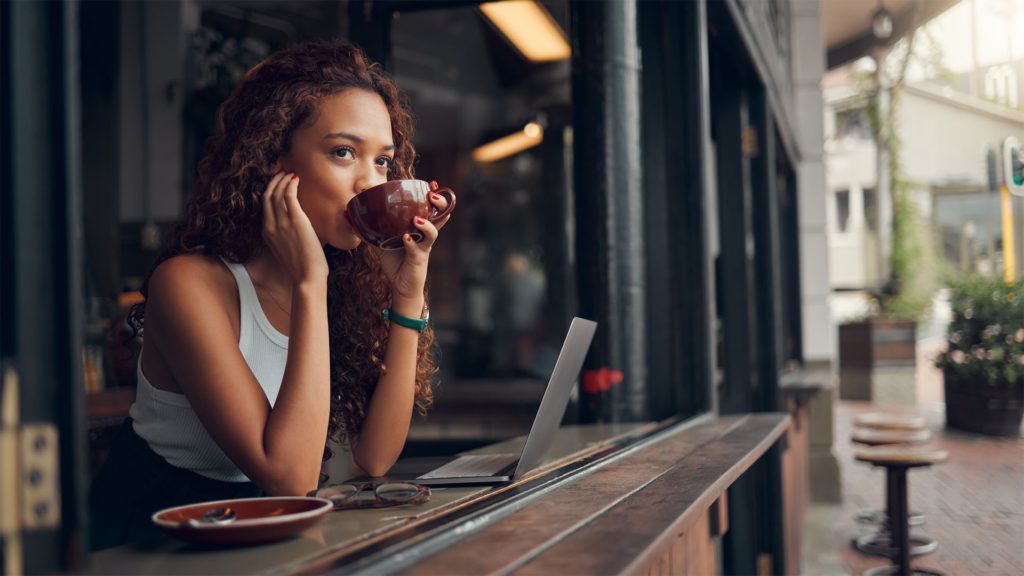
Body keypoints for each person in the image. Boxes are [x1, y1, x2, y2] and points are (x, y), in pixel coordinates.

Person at [88, 40, 449, 550]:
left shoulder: (342, 281)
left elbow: (376, 457)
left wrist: (408, 292)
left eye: (384, 162)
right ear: (273, 159)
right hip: (150, 548)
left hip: (260, 542)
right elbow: (291, 478)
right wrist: (309, 281)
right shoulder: (188, 284)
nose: (370, 183)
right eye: (343, 152)